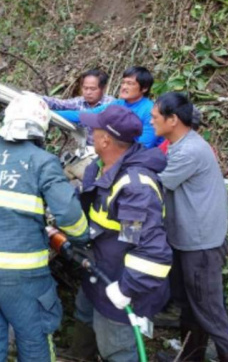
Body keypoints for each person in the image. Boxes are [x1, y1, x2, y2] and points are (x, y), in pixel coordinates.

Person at [0, 94, 90, 361]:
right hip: (23, 277)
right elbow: (68, 214)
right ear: (41, 128)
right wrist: (82, 237)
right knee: (34, 340)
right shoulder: (42, 161)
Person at [74, 106, 172, 361]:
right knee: (83, 317)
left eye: (93, 130)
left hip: (120, 282)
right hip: (98, 269)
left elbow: (151, 251)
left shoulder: (134, 189)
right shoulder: (99, 167)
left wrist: (126, 289)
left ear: (105, 139)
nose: (90, 134)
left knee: (115, 348)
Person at [150, 92, 228, 362]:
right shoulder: (179, 144)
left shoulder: (189, 151)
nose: (151, 121)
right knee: (189, 305)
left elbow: (155, 185)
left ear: (173, 120)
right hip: (186, 238)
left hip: (200, 245)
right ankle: (191, 357)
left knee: (209, 310)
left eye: (155, 118)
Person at [43, 69, 115, 145]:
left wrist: (49, 113)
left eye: (93, 89)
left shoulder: (111, 104)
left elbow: (81, 116)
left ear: (103, 89)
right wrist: (35, 98)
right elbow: (59, 104)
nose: (88, 92)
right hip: (87, 150)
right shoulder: (79, 102)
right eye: (85, 88)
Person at [107, 66, 163, 149]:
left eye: (129, 83)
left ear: (144, 88)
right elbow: (94, 113)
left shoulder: (150, 111)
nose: (124, 87)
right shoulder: (117, 103)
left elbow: (144, 146)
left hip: (143, 157)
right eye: (123, 83)